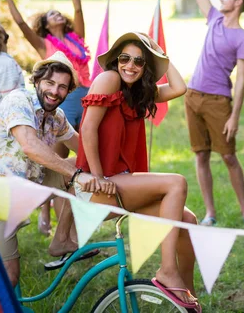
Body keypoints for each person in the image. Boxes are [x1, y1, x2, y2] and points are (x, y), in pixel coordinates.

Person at [75, 31, 200, 309]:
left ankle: (186, 294)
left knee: (188, 221)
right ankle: (167, 270)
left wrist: (159, 56)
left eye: (139, 61)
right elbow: (88, 128)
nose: (130, 65)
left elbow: (179, 88)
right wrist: (97, 176)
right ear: (116, 60)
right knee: (176, 183)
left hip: (122, 183)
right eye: (124, 58)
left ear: (147, 67)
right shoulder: (109, 79)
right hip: (99, 186)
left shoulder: (138, 92)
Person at [0, 52, 99, 287]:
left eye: (62, 87)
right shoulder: (18, 101)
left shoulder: (56, 116)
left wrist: (115, 162)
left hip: (30, 187)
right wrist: (75, 175)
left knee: (82, 165)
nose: (55, 91)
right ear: (37, 81)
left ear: (69, 90)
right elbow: (30, 146)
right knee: (9, 276)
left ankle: (61, 240)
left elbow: (83, 148)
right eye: (50, 83)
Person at [0, 0, 90, 236]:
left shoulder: (77, 38)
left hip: (84, 95)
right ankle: (45, 214)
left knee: (78, 156)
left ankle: (65, 231)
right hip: (62, 103)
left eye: (58, 13)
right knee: (54, 158)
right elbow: (21, 23)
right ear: (46, 24)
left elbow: (78, 7)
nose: (57, 15)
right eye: (51, 14)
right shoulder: (44, 45)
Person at [178, 0, 244, 226]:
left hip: (218, 101)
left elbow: (242, 82)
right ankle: (210, 212)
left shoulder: (243, 39)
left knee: (228, 158)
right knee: (201, 156)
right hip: (192, 95)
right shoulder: (212, 18)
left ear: (237, 3)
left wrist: (234, 117)